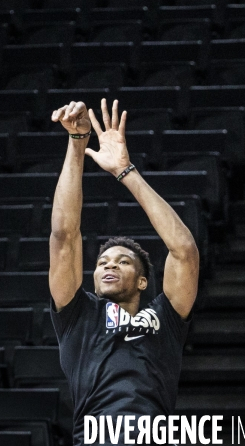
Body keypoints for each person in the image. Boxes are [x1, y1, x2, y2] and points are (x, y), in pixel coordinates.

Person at [49, 98, 199, 446]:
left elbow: (185, 251)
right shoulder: (78, 316)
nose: (109, 265)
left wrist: (124, 171)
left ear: (143, 281)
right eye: (102, 263)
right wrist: (77, 143)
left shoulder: (167, 317)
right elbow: (63, 237)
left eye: (123, 261)